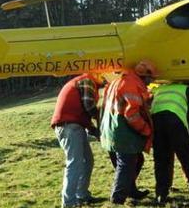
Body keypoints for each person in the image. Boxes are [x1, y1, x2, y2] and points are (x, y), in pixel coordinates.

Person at [100, 60, 156, 204]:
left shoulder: (117, 82)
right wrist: (146, 129)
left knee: (136, 161)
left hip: (110, 131)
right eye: (151, 79)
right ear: (144, 76)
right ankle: (117, 199)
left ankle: (131, 191)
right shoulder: (131, 84)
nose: (151, 83)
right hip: (122, 133)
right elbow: (131, 115)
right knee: (126, 165)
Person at [51, 73, 103, 207]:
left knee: (87, 161)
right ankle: (69, 203)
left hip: (72, 125)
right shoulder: (88, 80)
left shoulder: (82, 81)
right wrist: (101, 121)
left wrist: (93, 130)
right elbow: (89, 106)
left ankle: (82, 195)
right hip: (70, 126)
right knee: (75, 163)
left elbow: (83, 111)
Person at [150, 82, 189, 204]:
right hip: (176, 123)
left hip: (156, 123)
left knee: (161, 160)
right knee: (187, 159)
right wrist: (188, 129)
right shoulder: (185, 89)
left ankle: (161, 195)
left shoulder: (159, 89)